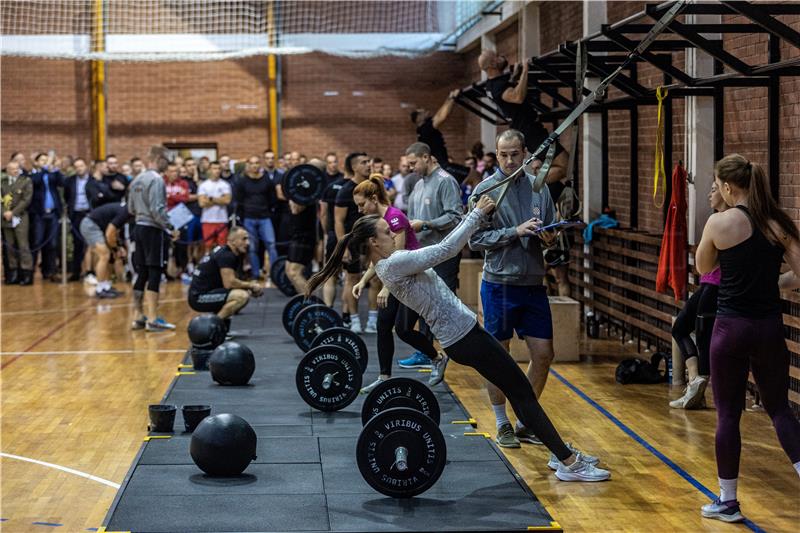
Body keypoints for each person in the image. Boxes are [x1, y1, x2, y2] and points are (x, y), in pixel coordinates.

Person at [306, 196, 609, 482]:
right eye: (387, 230)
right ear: (374, 241)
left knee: (519, 391)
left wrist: (467, 217)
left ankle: (561, 455)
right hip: (463, 338)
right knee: (521, 391)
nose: (397, 230)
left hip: (464, 335)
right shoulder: (393, 265)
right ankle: (568, 462)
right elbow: (445, 250)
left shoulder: (390, 261)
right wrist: (476, 215)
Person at [695, 154, 800, 523]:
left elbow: (704, 268)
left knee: (728, 414)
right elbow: (799, 275)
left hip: (730, 329)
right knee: (780, 409)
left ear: (727, 186)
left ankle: (728, 502)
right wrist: (776, 281)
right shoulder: (777, 223)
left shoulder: (719, 222)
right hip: (768, 327)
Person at [469, 129, 558, 448]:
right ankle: (502, 421)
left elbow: (550, 231)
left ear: (525, 153)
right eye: (503, 155)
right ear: (496, 154)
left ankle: (526, 420)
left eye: (515, 154)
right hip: (499, 285)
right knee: (498, 357)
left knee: (544, 354)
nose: (509, 160)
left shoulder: (539, 189)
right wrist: (514, 232)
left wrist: (550, 239)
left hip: (533, 284)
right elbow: (474, 240)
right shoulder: (486, 190)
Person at [351, 176, 431, 393]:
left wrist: (386, 287)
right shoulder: (376, 223)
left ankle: (437, 357)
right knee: (382, 325)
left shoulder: (394, 218)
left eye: (361, 205)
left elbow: (398, 257)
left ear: (374, 199)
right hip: (397, 279)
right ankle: (384, 377)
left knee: (404, 330)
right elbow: (378, 258)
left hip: (412, 279)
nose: (359, 210)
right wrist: (363, 280)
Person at [400, 141, 463, 368]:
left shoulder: (445, 182)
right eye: (408, 164)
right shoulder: (418, 185)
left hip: (443, 254)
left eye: (414, 163)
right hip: (423, 254)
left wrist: (426, 224)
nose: (411, 168)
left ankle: (454, 350)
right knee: (425, 303)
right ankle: (428, 352)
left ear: (426, 157)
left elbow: (456, 217)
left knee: (443, 304)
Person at [669, 181, 729, 410]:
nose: (709, 194)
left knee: (704, 340)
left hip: (718, 287)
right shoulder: (716, 220)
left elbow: (707, 262)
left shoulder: (728, 221)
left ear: (726, 190)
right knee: (680, 327)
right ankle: (694, 382)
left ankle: (698, 389)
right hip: (707, 284)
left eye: (713, 189)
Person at [479, 50, 568, 183]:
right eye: (497, 57)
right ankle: (530, 187)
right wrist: (525, 70)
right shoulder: (497, 86)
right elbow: (517, 97)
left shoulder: (492, 84)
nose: (501, 56)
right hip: (529, 131)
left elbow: (508, 93)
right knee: (564, 165)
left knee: (558, 164)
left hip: (529, 129)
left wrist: (516, 76)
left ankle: (537, 178)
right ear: (492, 64)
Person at [128, 145, 180, 332]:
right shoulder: (157, 180)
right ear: (158, 159)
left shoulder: (136, 180)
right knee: (155, 271)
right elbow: (158, 210)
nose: (168, 164)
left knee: (141, 272)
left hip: (139, 227)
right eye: (166, 160)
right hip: (153, 230)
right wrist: (171, 227)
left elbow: (130, 209)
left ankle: (137, 317)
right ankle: (152, 319)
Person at [189, 226, 263, 322]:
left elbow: (233, 281)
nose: (247, 243)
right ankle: (213, 325)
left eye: (247, 239)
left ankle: (219, 323)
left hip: (208, 292)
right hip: (199, 298)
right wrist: (251, 286)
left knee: (243, 294)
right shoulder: (227, 256)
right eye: (243, 239)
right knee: (241, 297)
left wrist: (249, 287)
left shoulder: (230, 252)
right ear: (232, 241)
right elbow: (229, 283)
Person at [335, 152, 371, 333]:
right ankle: (354, 320)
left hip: (372, 240)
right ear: (354, 167)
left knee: (377, 278)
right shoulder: (345, 190)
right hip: (353, 241)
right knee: (352, 279)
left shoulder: (373, 186)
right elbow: (338, 221)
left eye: (368, 161)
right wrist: (344, 248)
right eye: (364, 162)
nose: (368, 165)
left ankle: (373, 320)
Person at [235, 155, 278, 280]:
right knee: (252, 248)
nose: (254, 166)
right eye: (252, 163)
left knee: (271, 245)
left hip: (265, 217)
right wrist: (242, 217)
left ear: (260, 164)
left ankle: (274, 274)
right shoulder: (242, 181)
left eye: (257, 163)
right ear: (248, 165)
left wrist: (269, 212)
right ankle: (255, 274)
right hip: (249, 218)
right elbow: (239, 201)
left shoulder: (266, 180)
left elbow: (273, 199)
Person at [411, 90, 469, 182]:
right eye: (422, 112)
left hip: (440, 167)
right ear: (418, 118)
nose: (426, 112)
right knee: (474, 175)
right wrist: (452, 98)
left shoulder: (422, 129)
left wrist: (449, 98)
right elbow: (442, 116)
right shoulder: (425, 129)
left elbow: (438, 115)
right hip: (442, 167)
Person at [79, 201, 130, 298]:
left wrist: (117, 248)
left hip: (99, 226)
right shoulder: (126, 212)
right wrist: (116, 248)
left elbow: (115, 231)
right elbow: (109, 233)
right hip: (91, 225)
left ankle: (106, 286)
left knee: (110, 256)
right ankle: (99, 289)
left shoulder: (126, 210)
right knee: (104, 255)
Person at [28, 152, 64, 282]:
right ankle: (30, 271)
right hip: (39, 214)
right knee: (37, 242)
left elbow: (62, 182)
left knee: (52, 244)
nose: (45, 162)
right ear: (36, 163)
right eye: (42, 160)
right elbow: (35, 182)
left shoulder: (52, 174)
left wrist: (56, 168)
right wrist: (45, 167)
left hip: (53, 213)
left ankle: (50, 271)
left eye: (46, 160)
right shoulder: (33, 174)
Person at [319, 159, 347, 307]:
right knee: (350, 278)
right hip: (351, 236)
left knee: (330, 275)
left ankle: (327, 311)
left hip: (333, 235)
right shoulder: (357, 187)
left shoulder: (330, 187)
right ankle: (348, 316)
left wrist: (327, 232)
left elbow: (323, 214)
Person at [1, 161, 33, 285]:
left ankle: (26, 273)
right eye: (12, 169)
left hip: (20, 217)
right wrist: (4, 212)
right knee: (10, 246)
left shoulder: (25, 181)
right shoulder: (3, 183)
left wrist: (12, 212)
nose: (15, 171)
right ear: (7, 170)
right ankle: (13, 273)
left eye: (17, 169)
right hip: (5, 218)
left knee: (23, 245)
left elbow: (26, 200)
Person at [63, 158, 93, 281]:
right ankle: (76, 272)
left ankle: (91, 271)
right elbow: (66, 196)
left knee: (91, 244)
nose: (79, 168)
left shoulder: (92, 180)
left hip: (90, 214)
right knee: (77, 244)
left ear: (85, 166)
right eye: (77, 167)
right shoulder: (69, 181)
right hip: (76, 214)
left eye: (81, 166)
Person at [198, 161, 232, 252]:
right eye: (214, 168)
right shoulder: (204, 185)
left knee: (222, 246)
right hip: (208, 219)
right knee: (208, 246)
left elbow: (227, 200)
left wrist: (210, 198)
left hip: (222, 219)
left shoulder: (225, 185)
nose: (217, 171)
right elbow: (201, 203)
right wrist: (220, 199)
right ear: (209, 170)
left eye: (218, 168)